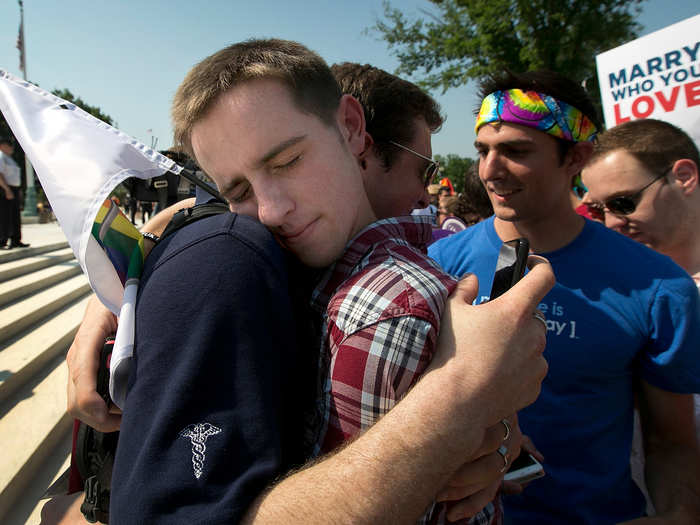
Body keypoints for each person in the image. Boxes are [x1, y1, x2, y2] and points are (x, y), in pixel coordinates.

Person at [46, 45, 552, 524]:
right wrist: (116, 296)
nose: (271, 210)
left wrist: (478, 409)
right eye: (239, 191)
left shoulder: (388, 305)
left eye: (287, 162)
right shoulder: (282, 255)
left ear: (353, 130)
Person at [428, 71, 700, 524]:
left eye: (515, 151)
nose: (490, 170)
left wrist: (681, 512)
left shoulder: (658, 286)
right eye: (483, 150)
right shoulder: (438, 262)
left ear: (575, 156)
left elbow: (671, 443)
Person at [581, 117, 700, 509]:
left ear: (683, 176)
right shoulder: (606, 292)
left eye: (624, 202)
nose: (613, 222)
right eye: (599, 210)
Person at [0, 136, 29, 249]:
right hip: (5, 188)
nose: (12, 148)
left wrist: (18, 191)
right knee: (5, 216)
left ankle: (16, 240)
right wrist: (7, 189)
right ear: (2, 145)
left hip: (14, 189)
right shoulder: (1, 156)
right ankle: (2, 241)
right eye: (9, 145)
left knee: (15, 216)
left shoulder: (9, 158)